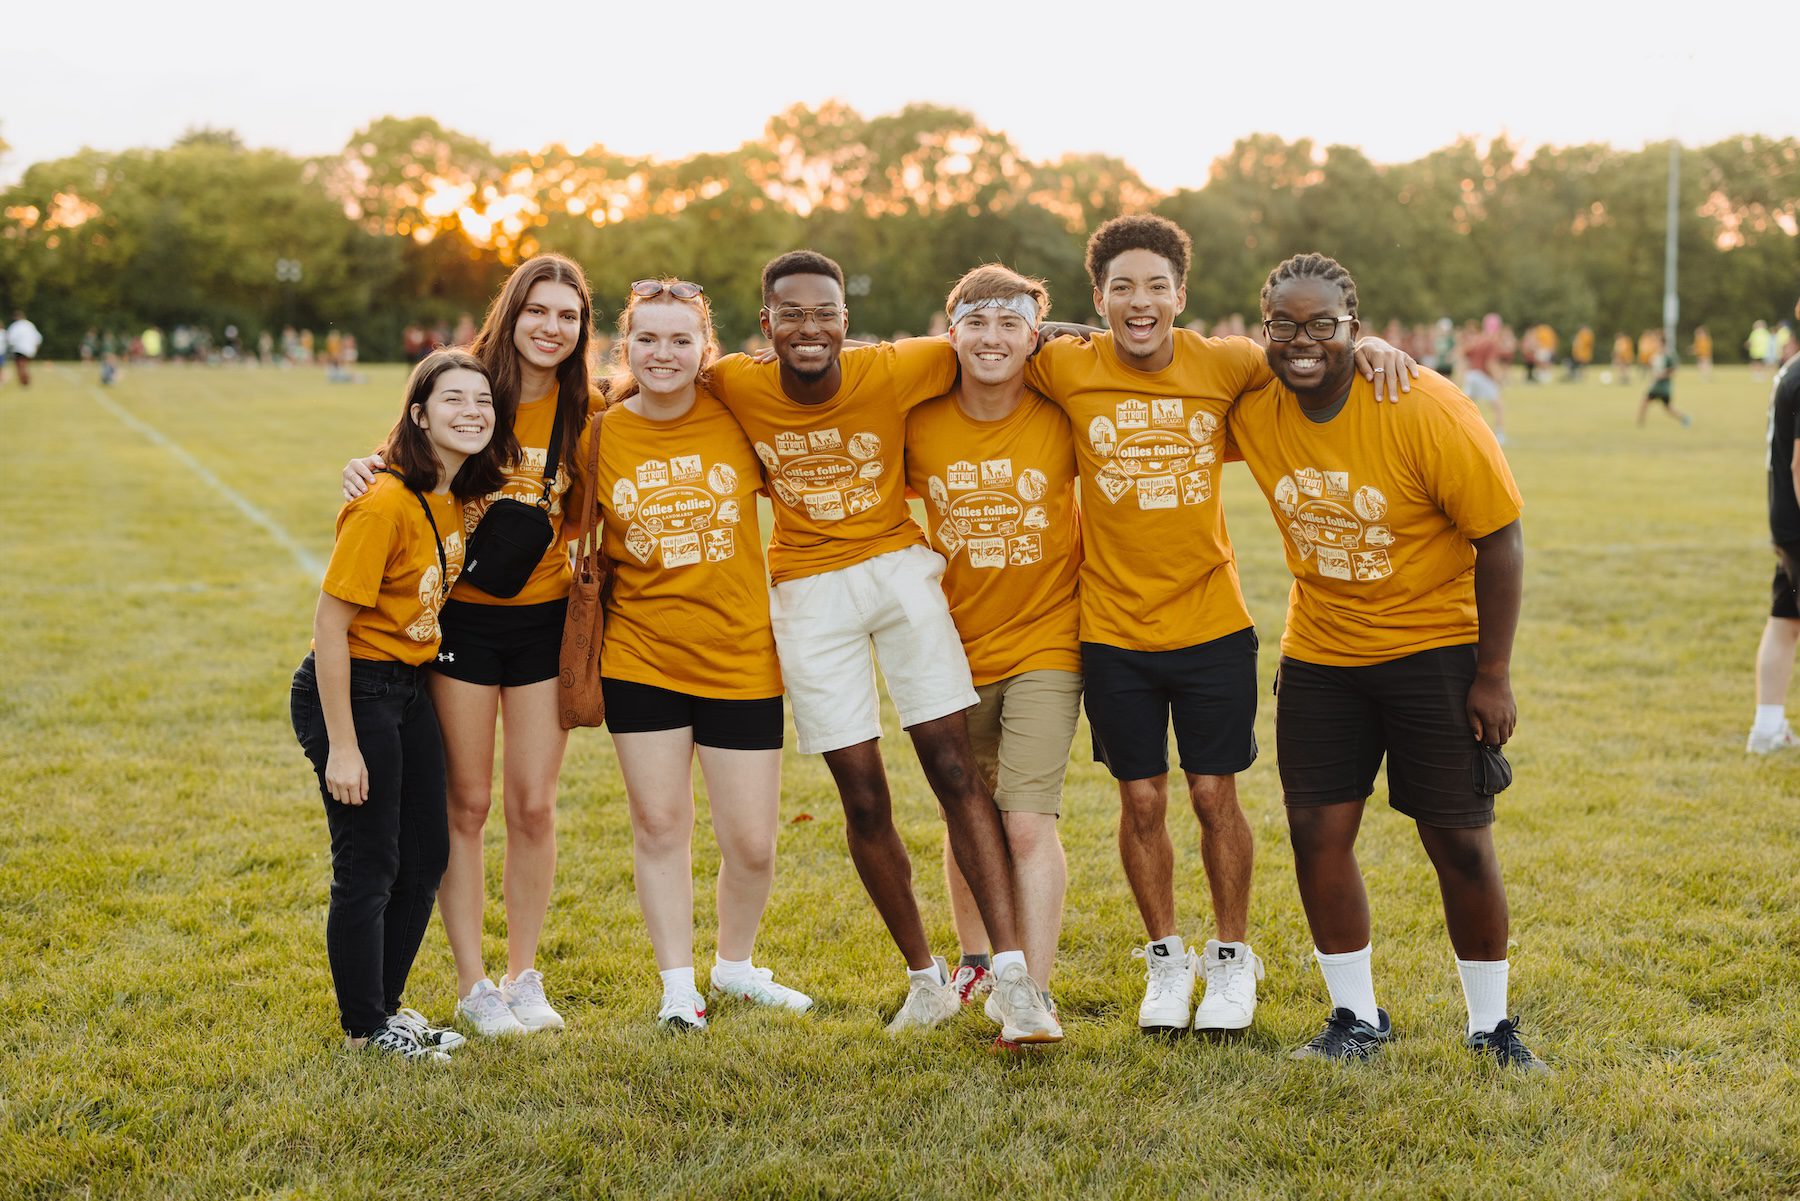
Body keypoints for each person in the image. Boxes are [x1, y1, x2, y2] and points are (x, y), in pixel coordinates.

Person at [1024, 214, 1414, 1035]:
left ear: (1182, 295)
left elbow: (1313, 356)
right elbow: (993, 348)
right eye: (1122, 288)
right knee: (1140, 801)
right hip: (1112, 627)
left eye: (1157, 286)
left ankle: (1232, 958)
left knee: (1211, 793)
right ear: (1099, 299)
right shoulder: (1064, 364)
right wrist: (1040, 324)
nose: (1141, 303)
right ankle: (1166, 958)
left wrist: (1371, 345)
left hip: (1210, 621)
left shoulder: (1227, 361)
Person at [707, 251, 1059, 1043]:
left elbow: (1017, 332)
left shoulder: (900, 365)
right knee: (862, 795)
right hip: (807, 591)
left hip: (899, 571)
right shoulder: (733, 381)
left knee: (952, 766)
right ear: (766, 325)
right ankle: (925, 980)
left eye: (823, 312)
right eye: (790, 312)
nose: (808, 326)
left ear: (844, 321)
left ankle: (1013, 977)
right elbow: (638, 388)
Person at [1224, 252, 1545, 1071]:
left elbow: (1500, 538)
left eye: (1323, 326)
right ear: (1265, 330)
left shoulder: (1424, 404)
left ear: (1355, 329)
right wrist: (1039, 328)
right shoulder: (1254, 402)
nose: (1304, 342)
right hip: (1322, 653)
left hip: (1433, 648)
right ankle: (1356, 1016)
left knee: (1459, 839)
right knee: (1315, 831)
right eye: (1286, 325)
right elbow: (1141, 365)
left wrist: (1493, 673)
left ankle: (1491, 1027)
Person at [343, 254, 601, 1036]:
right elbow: (405, 459)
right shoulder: (470, 384)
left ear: (581, 327)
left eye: (568, 315)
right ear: (512, 313)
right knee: (468, 802)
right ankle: (473, 983)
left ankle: (524, 975)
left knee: (532, 802)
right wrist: (364, 466)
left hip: (544, 623)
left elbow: (590, 508)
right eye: (538, 311)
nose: (551, 328)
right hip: (459, 623)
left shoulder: (588, 406)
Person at [580, 279, 811, 1028]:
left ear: (704, 348)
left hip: (740, 653)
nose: (663, 353)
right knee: (659, 827)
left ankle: (736, 966)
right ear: (627, 346)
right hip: (640, 655)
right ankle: (679, 984)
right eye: (647, 338)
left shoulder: (736, 417)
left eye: (681, 339)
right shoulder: (601, 434)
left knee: (750, 841)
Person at [290, 348, 507, 1061]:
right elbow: (330, 626)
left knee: (427, 854)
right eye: (453, 399)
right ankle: (363, 1028)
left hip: (407, 686)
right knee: (370, 861)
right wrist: (344, 745)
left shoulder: (447, 493)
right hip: (353, 688)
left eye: (482, 399)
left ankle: (384, 1011)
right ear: (419, 414)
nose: (472, 410)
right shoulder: (383, 501)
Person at [904, 264, 1081, 1040]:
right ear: (953, 334)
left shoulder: (1061, 409)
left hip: (1048, 638)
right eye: (976, 322)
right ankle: (976, 958)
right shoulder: (919, 420)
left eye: (1011, 323)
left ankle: (1030, 991)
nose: (993, 337)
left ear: (1034, 336)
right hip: (952, 646)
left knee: (1025, 823)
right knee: (965, 807)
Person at [1749, 352, 1800, 753]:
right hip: (1797, 519)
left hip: (1785, 520)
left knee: (1785, 618)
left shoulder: (1792, 368)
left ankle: (1767, 730)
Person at [1461, 315, 1508, 443]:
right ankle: (1500, 435)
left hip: (1471, 375)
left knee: (1465, 406)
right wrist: (1499, 378)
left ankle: (1461, 431)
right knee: (1498, 405)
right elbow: (1490, 363)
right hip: (1481, 375)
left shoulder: (1479, 339)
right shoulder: (1491, 342)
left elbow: (1465, 353)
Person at [1637, 342, 1690, 427]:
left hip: (1663, 388)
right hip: (1655, 386)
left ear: (1663, 346)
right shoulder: (1655, 357)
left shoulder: (1668, 358)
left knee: (1667, 408)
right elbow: (1652, 369)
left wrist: (1663, 375)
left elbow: (1674, 370)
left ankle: (1684, 417)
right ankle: (1641, 422)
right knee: (1646, 402)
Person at [6, 311, 42, 386]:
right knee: (25, 365)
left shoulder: (15, 325)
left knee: (20, 365)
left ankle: (24, 381)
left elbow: (10, 338)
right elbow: (38, 338)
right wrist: (35, 348)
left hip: (18, 348)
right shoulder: (30, 325)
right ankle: (25, 380)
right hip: (29, 349)